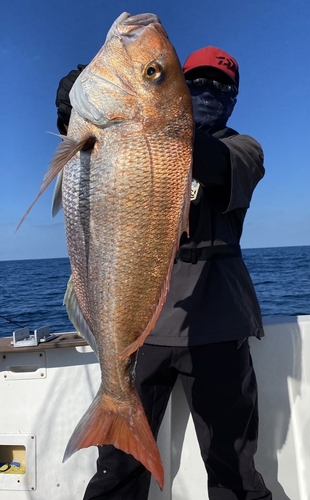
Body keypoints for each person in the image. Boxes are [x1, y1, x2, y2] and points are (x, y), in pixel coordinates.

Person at [56, 46, 272, 500]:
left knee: (234, 468)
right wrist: (80, 115)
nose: (211, 92)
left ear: (235, 99)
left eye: (223, 86)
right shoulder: (145, 130)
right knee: (118, 472)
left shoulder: (244, 149)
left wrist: (149, 116)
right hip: (141, 328)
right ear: (182, 88)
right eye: (198, 82)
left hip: (218, 325)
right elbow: (101, 171)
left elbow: (202, 157)